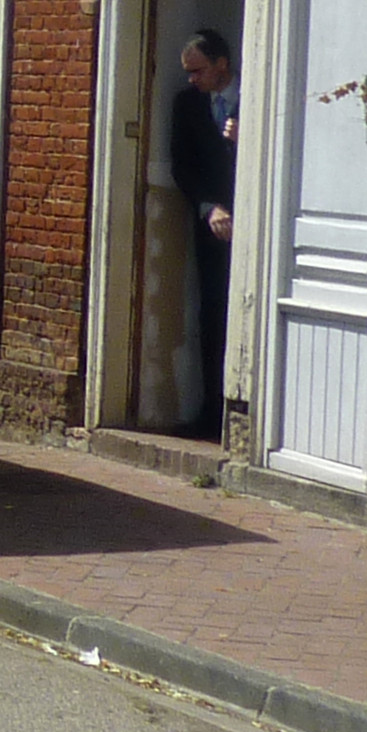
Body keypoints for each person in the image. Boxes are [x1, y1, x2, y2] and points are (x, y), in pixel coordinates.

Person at [167, 29, 242, 441]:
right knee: (213, 314)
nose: (191, 79)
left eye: (198, 71)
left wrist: (246, 141)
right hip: (214, 227)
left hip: (256, 226)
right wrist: (209, 207)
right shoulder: (187, 104)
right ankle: (212, 413)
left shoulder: (255, 98)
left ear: (221, 65)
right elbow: (182, 166)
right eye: (188, 72)